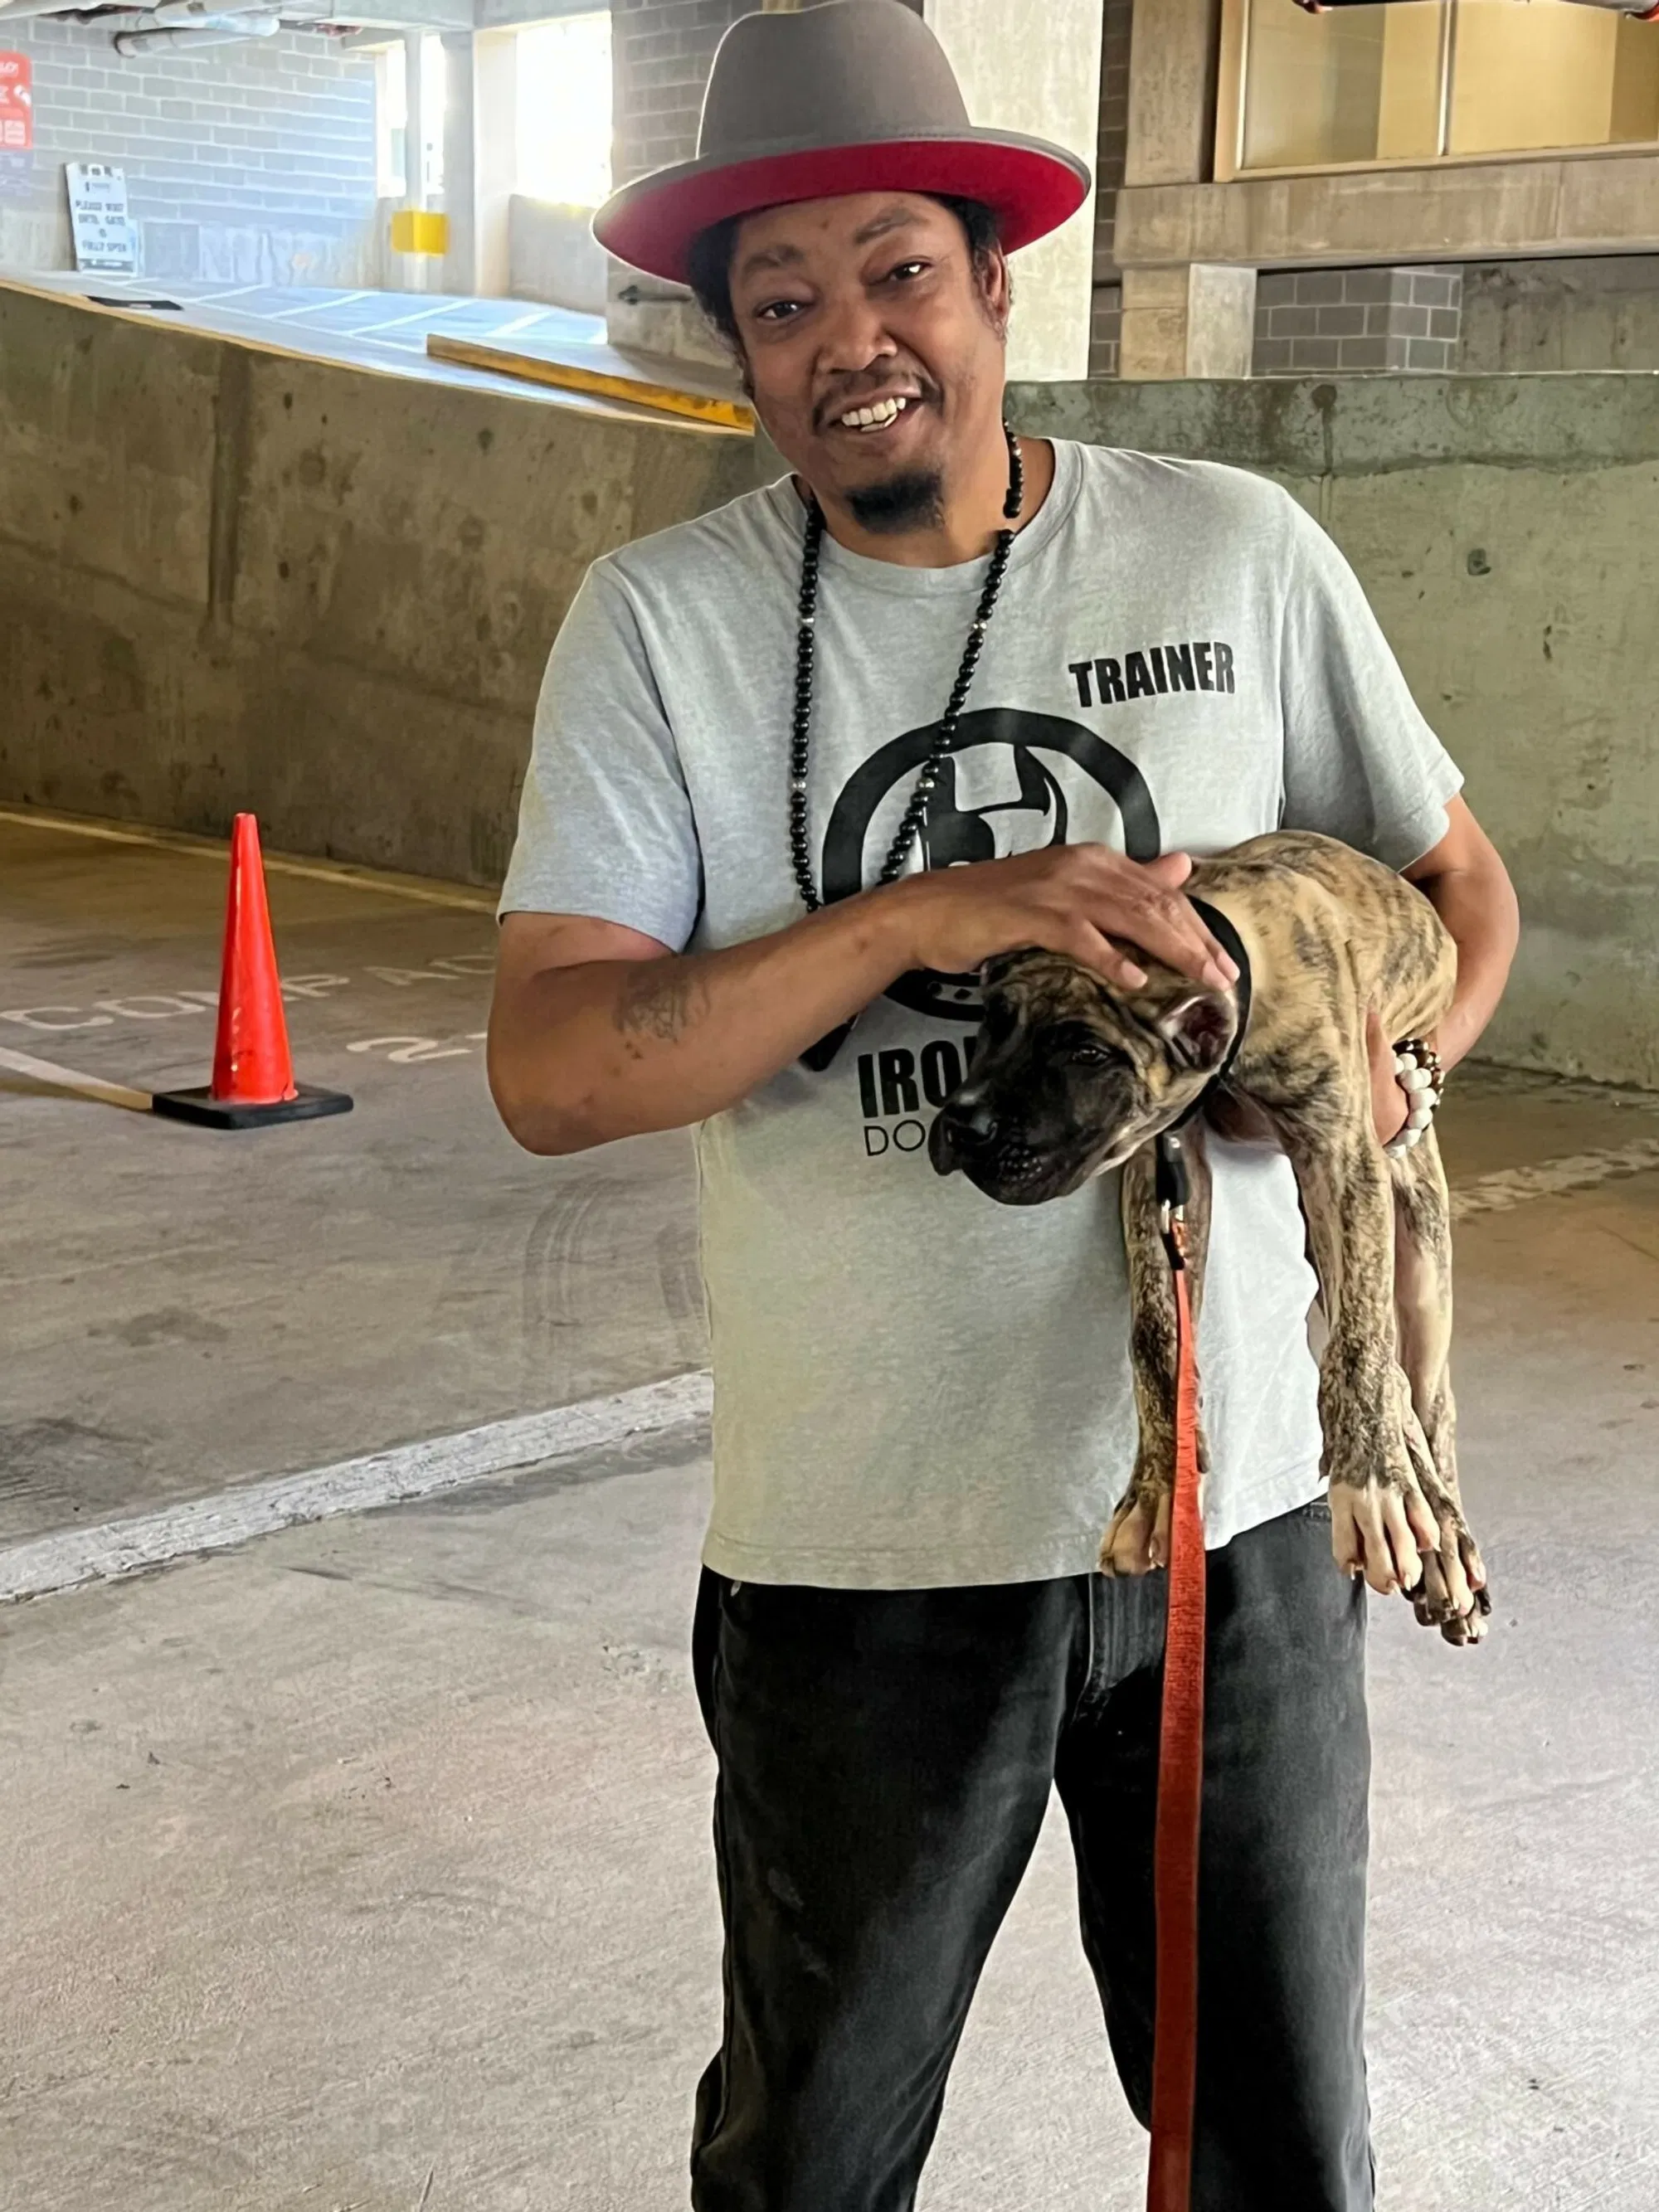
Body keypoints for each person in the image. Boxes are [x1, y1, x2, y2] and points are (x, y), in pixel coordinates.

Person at [487, 6, 1520, 2205]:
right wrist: (913, 916)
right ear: (734, 350)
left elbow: (1462, 898)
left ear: (991, 283)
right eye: (781, 302)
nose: (848, 340)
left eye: (894, 272)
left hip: (1233, 1541)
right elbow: (556, 1070)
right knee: (815, 2157)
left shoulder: (1230, 550)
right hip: (860, 1550)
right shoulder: (660, 630)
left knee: (1273, 2149)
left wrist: (1364, 1081)